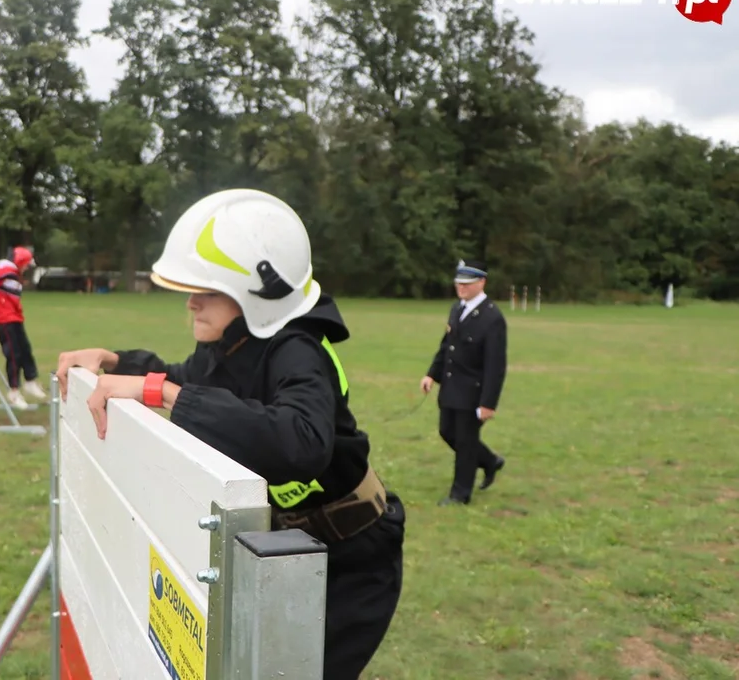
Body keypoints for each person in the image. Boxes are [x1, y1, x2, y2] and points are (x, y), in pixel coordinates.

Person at [55, 189, 405, 680]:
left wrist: (165, 394)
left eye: (209, 290)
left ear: (258, 292)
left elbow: (301, 442)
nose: (191, 303)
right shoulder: (235, 342)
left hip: (353, 560)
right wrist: (117, 362)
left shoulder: (298, 350)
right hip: (290, 555)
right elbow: (183, 378)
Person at [419, 259, 507, 506]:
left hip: (473, 393)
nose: (461, 288)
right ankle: (489, 461)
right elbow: (447, 346)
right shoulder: (457, 309)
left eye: (467, 284)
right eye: (459, 283)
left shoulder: (492, 318)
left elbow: (495, 365)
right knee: (447, 432)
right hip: (450, 388)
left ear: (482, 282)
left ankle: (460, 494)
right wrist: (431, 374)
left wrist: (488, 403)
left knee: (466, 443)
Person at [0, 246, 46, 407]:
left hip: (14, 318)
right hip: (3, 320)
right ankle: (13, 391)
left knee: (25, 349)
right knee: (14, 354)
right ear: (20, 262)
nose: (28, 267)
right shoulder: (4, 271)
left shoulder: (14, 274)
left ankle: (30, 381)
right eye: (27, 264)